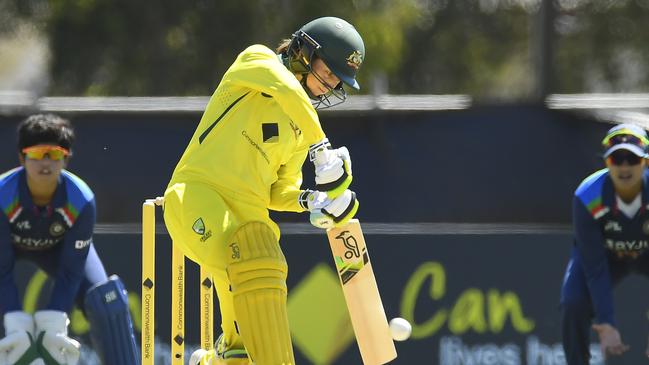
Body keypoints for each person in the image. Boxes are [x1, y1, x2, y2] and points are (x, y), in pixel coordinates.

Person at [163, 16, 364, 365]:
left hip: (244, 233)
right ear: (304, 53)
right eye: (328, 73)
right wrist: (322, 148)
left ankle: (216, 359)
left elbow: (281, 190)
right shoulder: (256, 62)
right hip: (196, 197)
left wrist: (311, 200)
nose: (329, 87)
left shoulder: (302, 130)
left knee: (245, 349)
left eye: (336, 81)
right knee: (258, 256)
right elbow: (285, 90)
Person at [0, 114, 139, 365]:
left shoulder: (81, 200)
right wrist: (16, 323)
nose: (45, 163)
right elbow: (2, 267)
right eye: (37, 154)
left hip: (58, 251)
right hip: (7, 248)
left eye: (53, 155)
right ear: (22, 158)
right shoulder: (3, 196)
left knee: (106, 301)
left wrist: (54, 319)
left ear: (66, 159)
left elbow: (71, 270)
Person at [560, 123, 649, 364]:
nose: (624, 167)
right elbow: (595, 267)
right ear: (606, 163)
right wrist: (606, 323)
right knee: (573, 303)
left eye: (632, 159)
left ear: (645, 163)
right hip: (607, 257)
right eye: (616, 159)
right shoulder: (588, 196)